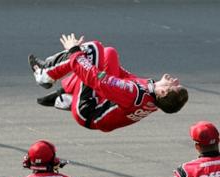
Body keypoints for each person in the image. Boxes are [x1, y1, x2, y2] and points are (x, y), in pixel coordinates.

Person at [29, 34, 188, 132]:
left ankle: (45, 74)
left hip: (88, 110)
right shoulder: (153, 98)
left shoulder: (134, 93)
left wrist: (74, 51)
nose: (175, 80)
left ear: (163, 92)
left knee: (92, 49)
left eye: (174, 85)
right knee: (108, 53)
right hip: (101, 107)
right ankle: (64, 96)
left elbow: (97, 80)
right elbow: (125, 77)